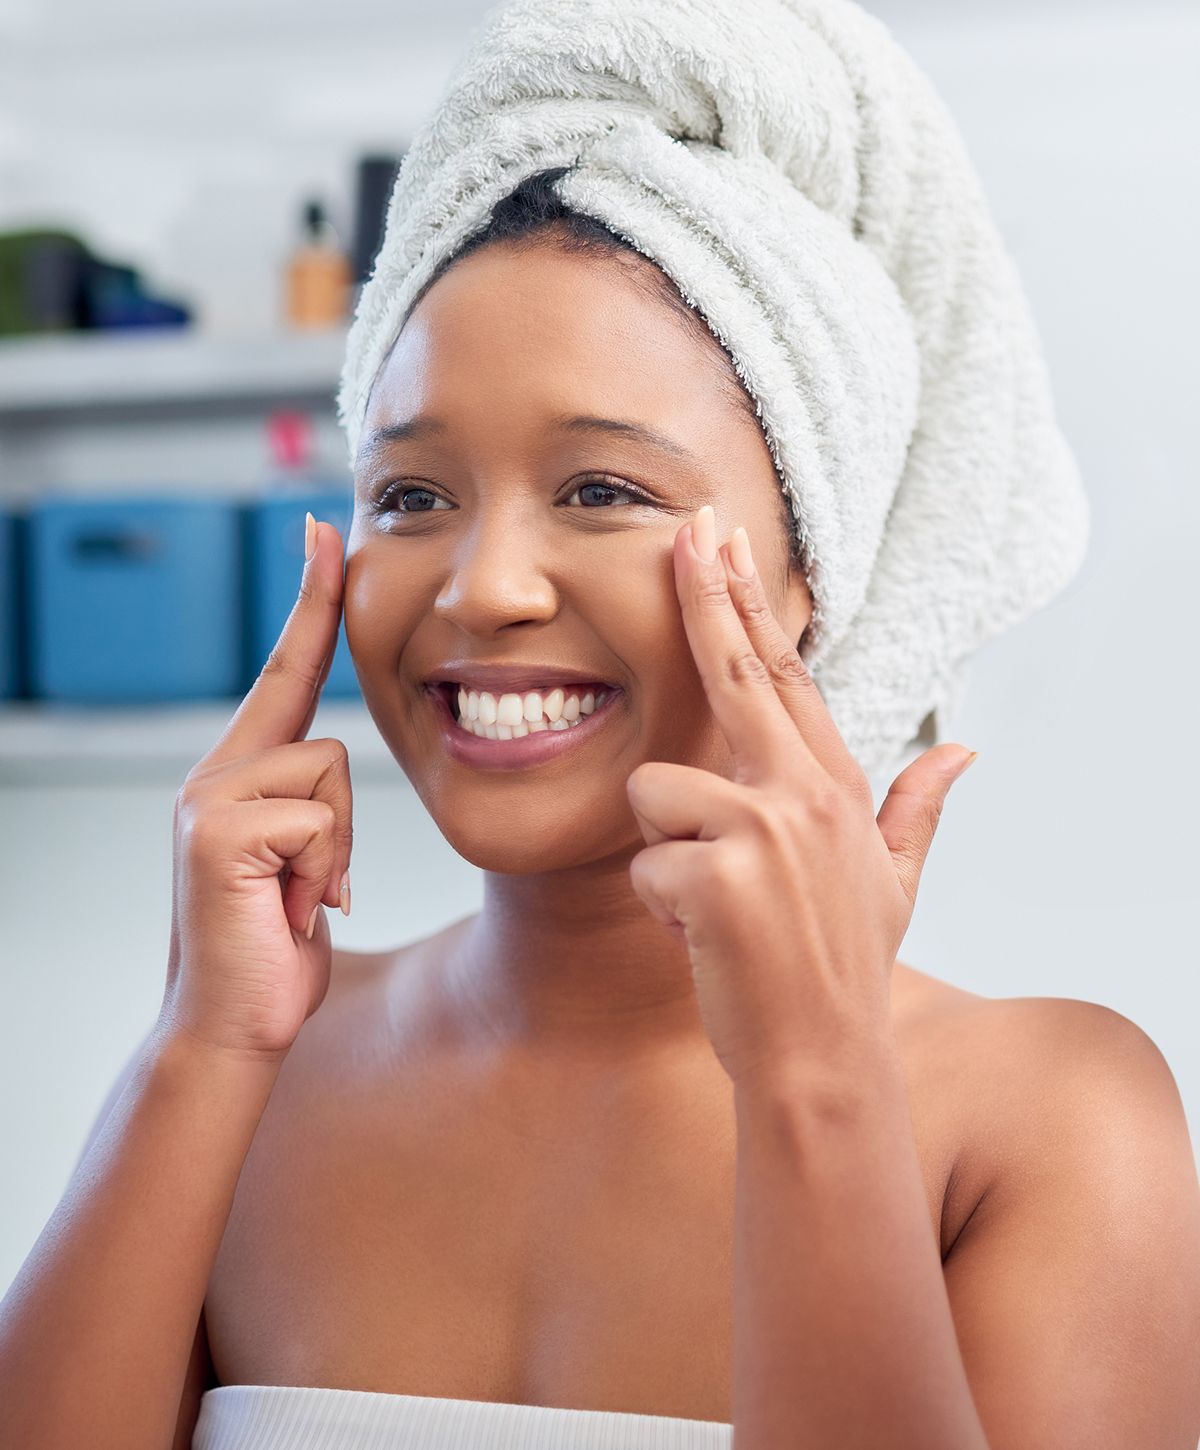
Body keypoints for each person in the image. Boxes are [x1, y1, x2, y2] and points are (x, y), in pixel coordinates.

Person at [5, 13, 1200, 1450]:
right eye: (410, 494)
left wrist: (815, 1072)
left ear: (811, 566)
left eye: (602, 492)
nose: (481, 584)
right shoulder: (256, 1065)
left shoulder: (1046, 1125)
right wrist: (195, 1049)